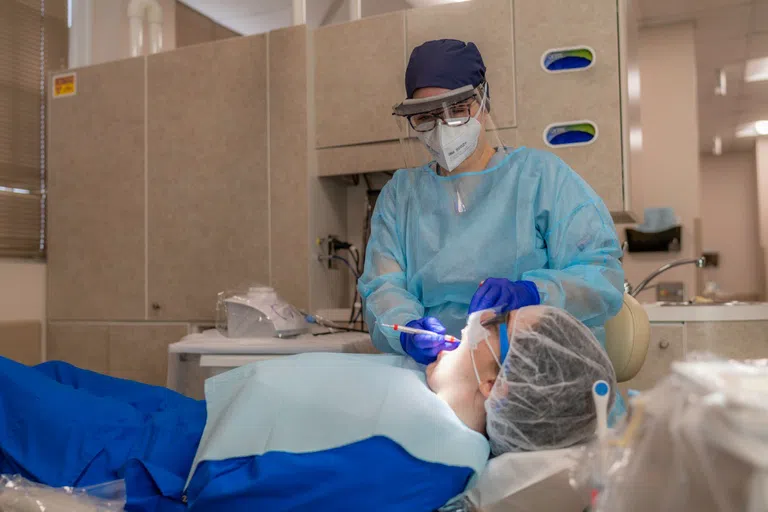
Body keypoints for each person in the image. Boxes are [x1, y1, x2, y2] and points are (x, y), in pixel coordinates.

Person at [0, 306, 615, 511]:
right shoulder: (435, 402)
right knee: (45, 377)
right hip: (185, 419)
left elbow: (237, 497)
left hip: (157, 464)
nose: (476, 318)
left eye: (497, 322)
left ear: (497, 383)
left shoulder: (426, 460)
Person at [358, 39, 625, 366]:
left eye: (457, 110)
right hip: (441, 372)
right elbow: (382, 288)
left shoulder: (540, 177)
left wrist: (531, 293)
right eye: (425, 117)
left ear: (484, 102)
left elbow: (601, 275)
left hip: (535, 374)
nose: (442, 127)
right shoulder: (401, 195)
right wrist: (407, 330)